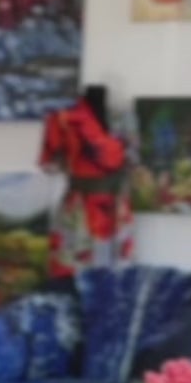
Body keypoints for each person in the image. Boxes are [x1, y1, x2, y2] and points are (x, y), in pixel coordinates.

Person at [39, 83, 135, 280]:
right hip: (79, 202)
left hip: (116, 203)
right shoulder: (61, 117)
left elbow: (132, 159)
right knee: (74, 270)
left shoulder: (125, 116)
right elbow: (50, 163)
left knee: (118, 276)